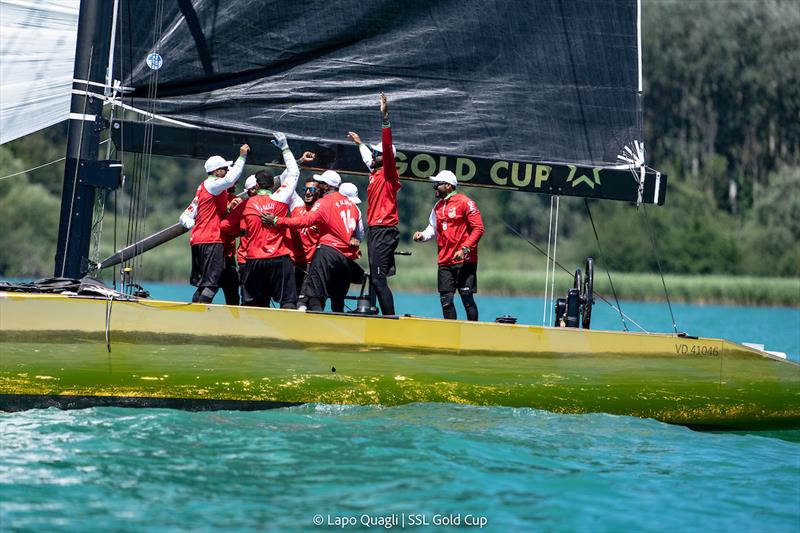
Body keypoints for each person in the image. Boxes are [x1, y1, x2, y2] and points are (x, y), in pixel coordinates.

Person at [262, 170, 364, 312]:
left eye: (320, 184)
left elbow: (305, 221)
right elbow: (360, 234)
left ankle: (307, 313)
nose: (316, 188)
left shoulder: (324, 202)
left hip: (325, 254)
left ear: (327, 187)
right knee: (337, 299)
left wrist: (276, 220)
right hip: (343, 257)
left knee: (315, 296)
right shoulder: (353, 206)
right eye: (307, 189)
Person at [221, 133, 299, 308]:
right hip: (279, 257)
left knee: (253, 304)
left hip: (254, 260)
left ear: (256, 185)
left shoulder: (246, 204)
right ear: (272, 185)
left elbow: (224, 225)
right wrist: (285, 147)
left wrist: (243, 232)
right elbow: (294, 172)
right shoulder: (281, 197)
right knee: (288, 302)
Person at [347, 92, 400, 315]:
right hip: (376, 231)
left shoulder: (388, 172)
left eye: (377, 153)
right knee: (377, 279)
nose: (374, 155)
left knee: (378, 280)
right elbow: (366, 157)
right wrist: (360, 144)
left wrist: (385, 117)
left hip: (384, 230)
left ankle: (389, 320)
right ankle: (385, 318)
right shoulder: (375, 173)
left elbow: (386, 147)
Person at [179, 144, 250, 303]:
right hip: (212, 240)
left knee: (204, 284)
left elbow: (184, 216)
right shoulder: (213, 184)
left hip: (197, 241)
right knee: (212, 284)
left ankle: (193, 314)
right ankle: (201, 316)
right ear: (217, 171)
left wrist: (194, 223)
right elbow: (231, 178)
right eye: (225, 168)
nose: (227, 171)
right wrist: (242, 156)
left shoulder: (202, 188)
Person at [413, 170, 484, 321]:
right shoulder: (438, 207)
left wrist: (464, 249)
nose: (435, 187)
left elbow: (478, 229)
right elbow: (432, 228)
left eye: (437, 184)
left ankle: (473, 335)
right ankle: (451, 337)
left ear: (448, 185)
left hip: (465, 260)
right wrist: (422, 236)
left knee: (467, 299)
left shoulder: (466, 202)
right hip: (444, 261)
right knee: (446, 301)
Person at [288, 176, 322, 303]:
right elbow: (288, 178)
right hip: (293, 263)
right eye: (305, 189)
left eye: (312, 190)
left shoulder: (323, 211)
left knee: (305, 303)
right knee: (289, 302)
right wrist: (300, 161)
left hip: (310, 265)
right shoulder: (296, 206)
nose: (307, 193)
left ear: (319, 191)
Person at [218, 186, 243, 305]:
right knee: (208, 288)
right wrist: (228, 209)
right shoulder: (214, 194)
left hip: (229, 255)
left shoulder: (236, 199)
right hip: (214, 252)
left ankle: (234, 322)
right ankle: (195, 318)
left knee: (233, 295)